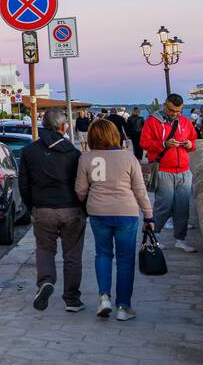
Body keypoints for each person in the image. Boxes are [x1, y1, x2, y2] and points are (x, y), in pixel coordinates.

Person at [76, 119, 154, 321]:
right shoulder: (128, 158)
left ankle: (104, 297)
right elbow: (140, 190)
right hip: (125, 212)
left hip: (98, 212)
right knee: (125, 260)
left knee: (102, 254)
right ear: (114, 135)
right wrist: (149, 215)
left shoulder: (86, 158)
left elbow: (80, 190)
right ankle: (123, 306)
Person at [18, 108, 86, 312]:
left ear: (43, 125)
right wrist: (83, 208)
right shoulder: (74, 153)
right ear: (63, 127)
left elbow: (23, 185)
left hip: (43, 208)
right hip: (71, 208)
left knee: (45, 249)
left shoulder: (29, 152)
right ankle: (72, 298)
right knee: (72, 254)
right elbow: (82, 184)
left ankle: (46, 281)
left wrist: (32, 207)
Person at [139, 93, 197, 252]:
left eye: (178, 111)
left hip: (184, 170)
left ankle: (180, 239)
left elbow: (194, 141)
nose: (175, 114)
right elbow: (144, 143)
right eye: (172, 110)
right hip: (163, 169)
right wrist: (164, 143)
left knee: (182, 206)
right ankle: (153, 236)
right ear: (165, 105)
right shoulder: (153, 121)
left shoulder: (184, 121)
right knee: (163, 205)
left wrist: (189, 145)